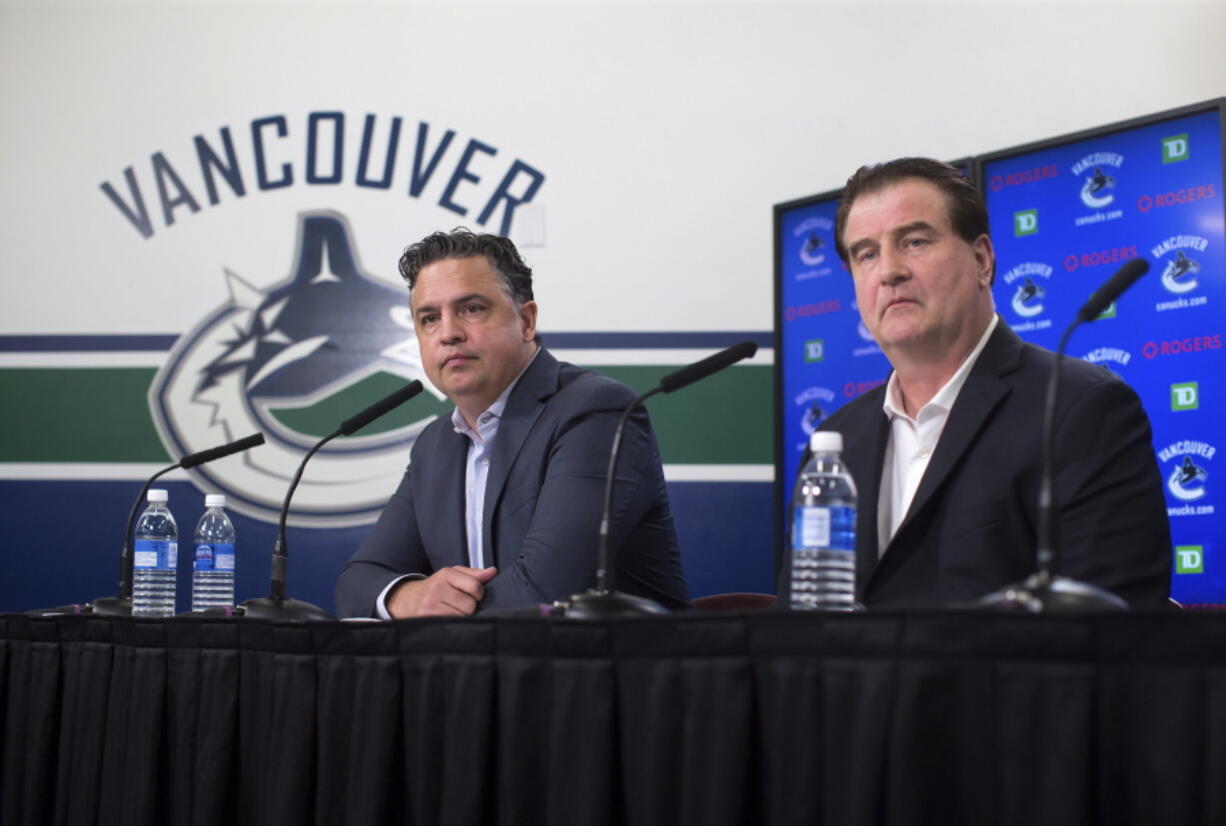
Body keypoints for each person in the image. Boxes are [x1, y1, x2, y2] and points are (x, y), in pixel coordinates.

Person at [786, 157, 1171, 609]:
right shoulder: (837, 442)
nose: (889, 270)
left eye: (913, 241)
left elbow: (1115, 631)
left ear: (982, 260)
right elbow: (797, 624)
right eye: (866, 254)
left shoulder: (1080, 409)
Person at [335, 228, 690, 618]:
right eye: (429, 318)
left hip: (609, 672)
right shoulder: (435, 444)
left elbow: (545, 593)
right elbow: (358, 582)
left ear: (526, 320)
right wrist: (407, 597)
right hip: (483, 673)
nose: (449, 333)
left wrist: (435, 612)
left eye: (471, 309)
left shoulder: (596, 412)